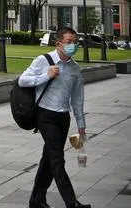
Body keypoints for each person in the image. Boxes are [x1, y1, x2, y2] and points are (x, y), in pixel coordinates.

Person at [19, 27, 89, 208]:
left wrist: (81, 124)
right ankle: (71, 203)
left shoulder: (75, 68)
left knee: (49, 159)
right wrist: (46, 75)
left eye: (75, 42)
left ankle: (36, 200)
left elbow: (77, 99)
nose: (73, 45)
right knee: (57, 159)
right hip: (45, 115)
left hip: (63, 117)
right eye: (69, 42)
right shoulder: (43, 60)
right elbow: (22, 80)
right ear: (58, 44)